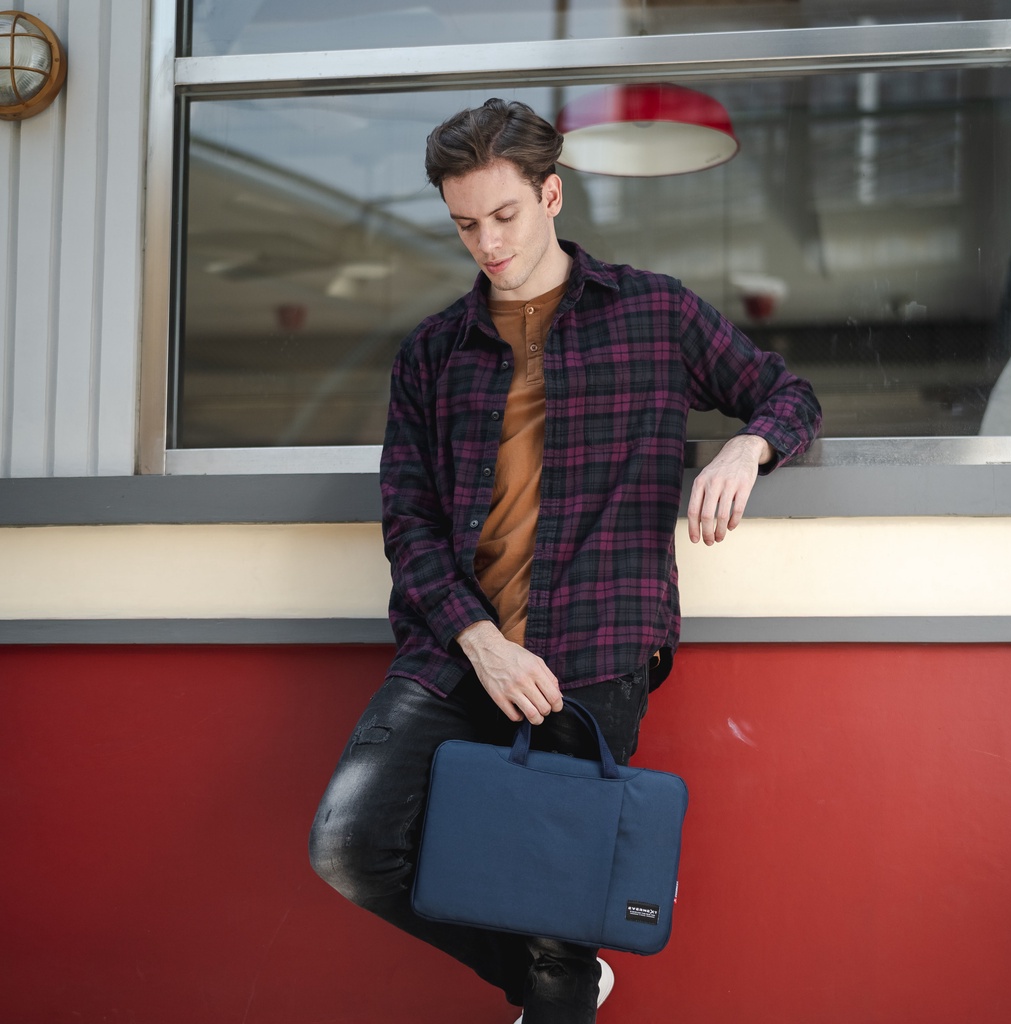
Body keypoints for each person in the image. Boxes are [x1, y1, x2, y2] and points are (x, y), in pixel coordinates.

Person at [309, 97, 821, 1023]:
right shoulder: (432, 352)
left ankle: (558, 980)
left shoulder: (653, 312)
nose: (487, 243)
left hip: (594, 653)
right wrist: (481, 643)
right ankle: (555, 983)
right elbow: (408, 524)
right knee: (351, 848)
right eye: (466, 224)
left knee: (555, 921)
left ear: (551, 195)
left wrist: (747, 449)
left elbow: (787, 394)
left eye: (504, 215)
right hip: (457, 650)